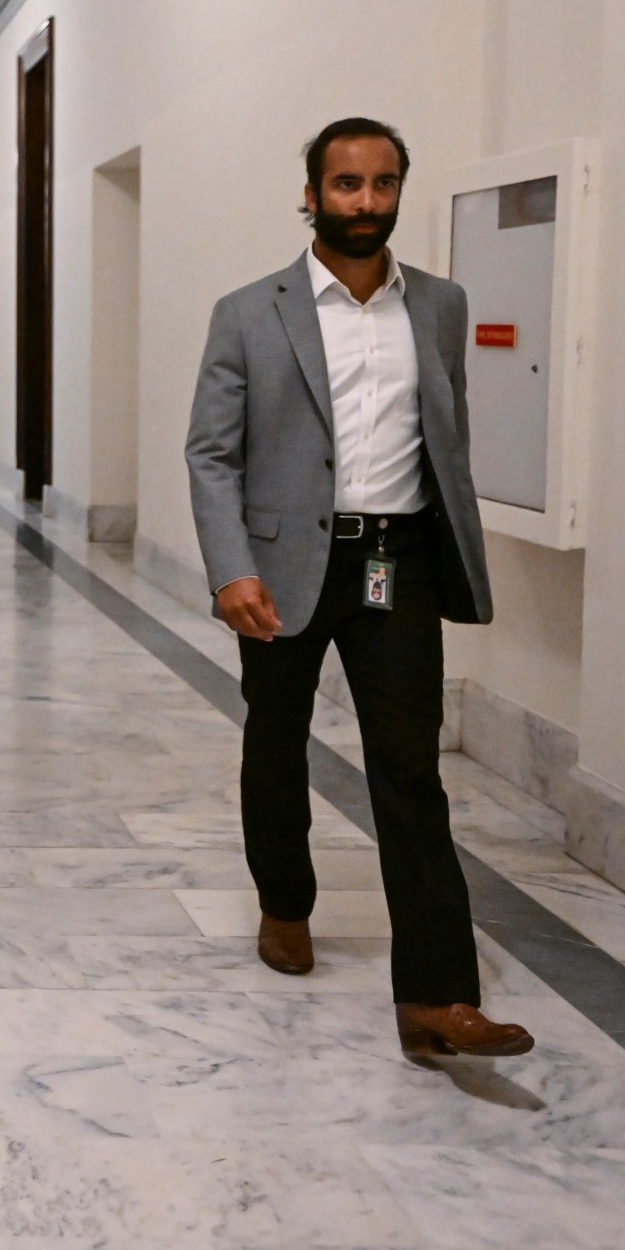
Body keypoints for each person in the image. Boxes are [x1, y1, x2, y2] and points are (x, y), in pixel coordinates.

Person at [186, 117, 531, 1058]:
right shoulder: (249, 312)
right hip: (286, 563)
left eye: (382, 186)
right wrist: (232, 571)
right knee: (276, 740)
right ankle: (285, 903)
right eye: (346, 186)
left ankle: (436, 998)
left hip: (396, 561)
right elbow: (212, 455)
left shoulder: (442, 306)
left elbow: (445, 433)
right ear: (312, 194)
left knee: (410, 771)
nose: (365, 204)